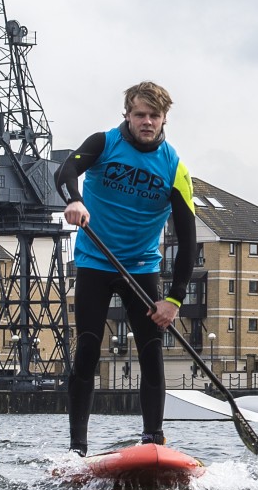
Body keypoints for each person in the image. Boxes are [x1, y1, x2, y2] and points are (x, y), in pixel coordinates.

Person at [54, 81, 198, 455]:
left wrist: (174, 300)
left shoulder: (175, 168)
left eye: (154, 115)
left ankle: (153, 440)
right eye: (140, 115)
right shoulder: (103, 143)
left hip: (141, 268)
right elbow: (66, 170)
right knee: (87, 348)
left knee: (151, 350)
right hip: (95, 261)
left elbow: (187, 240)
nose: (147, 122)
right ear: (127, 115)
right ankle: (77, 449)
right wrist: (75, 200)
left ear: (165, 118)